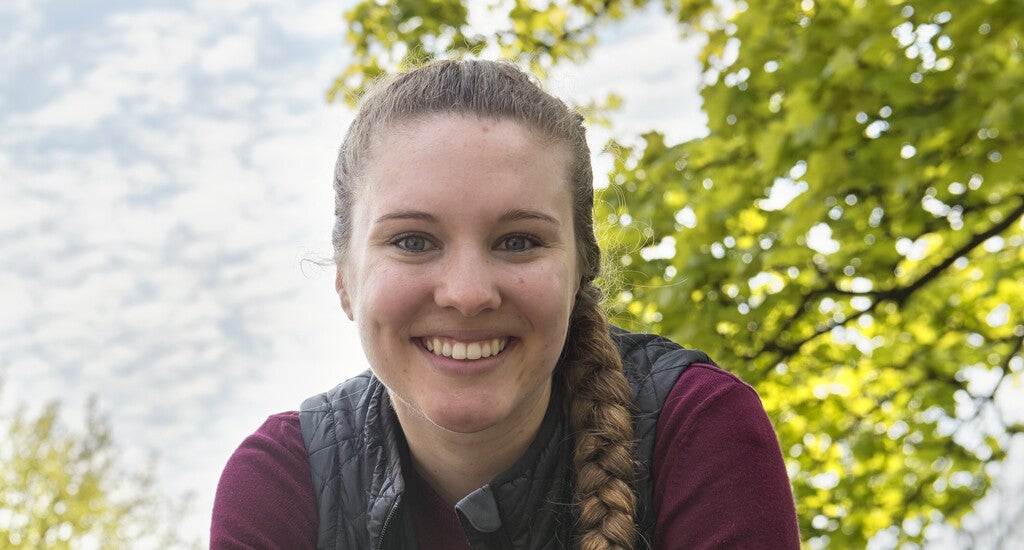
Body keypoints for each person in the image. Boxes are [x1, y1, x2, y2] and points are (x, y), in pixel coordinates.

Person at [210, 59, 800, 549]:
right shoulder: (280, 483)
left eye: (518, 242)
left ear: (580, 269)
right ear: (345, 278)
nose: (467, 294)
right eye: (413, 241)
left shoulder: (696, 430)